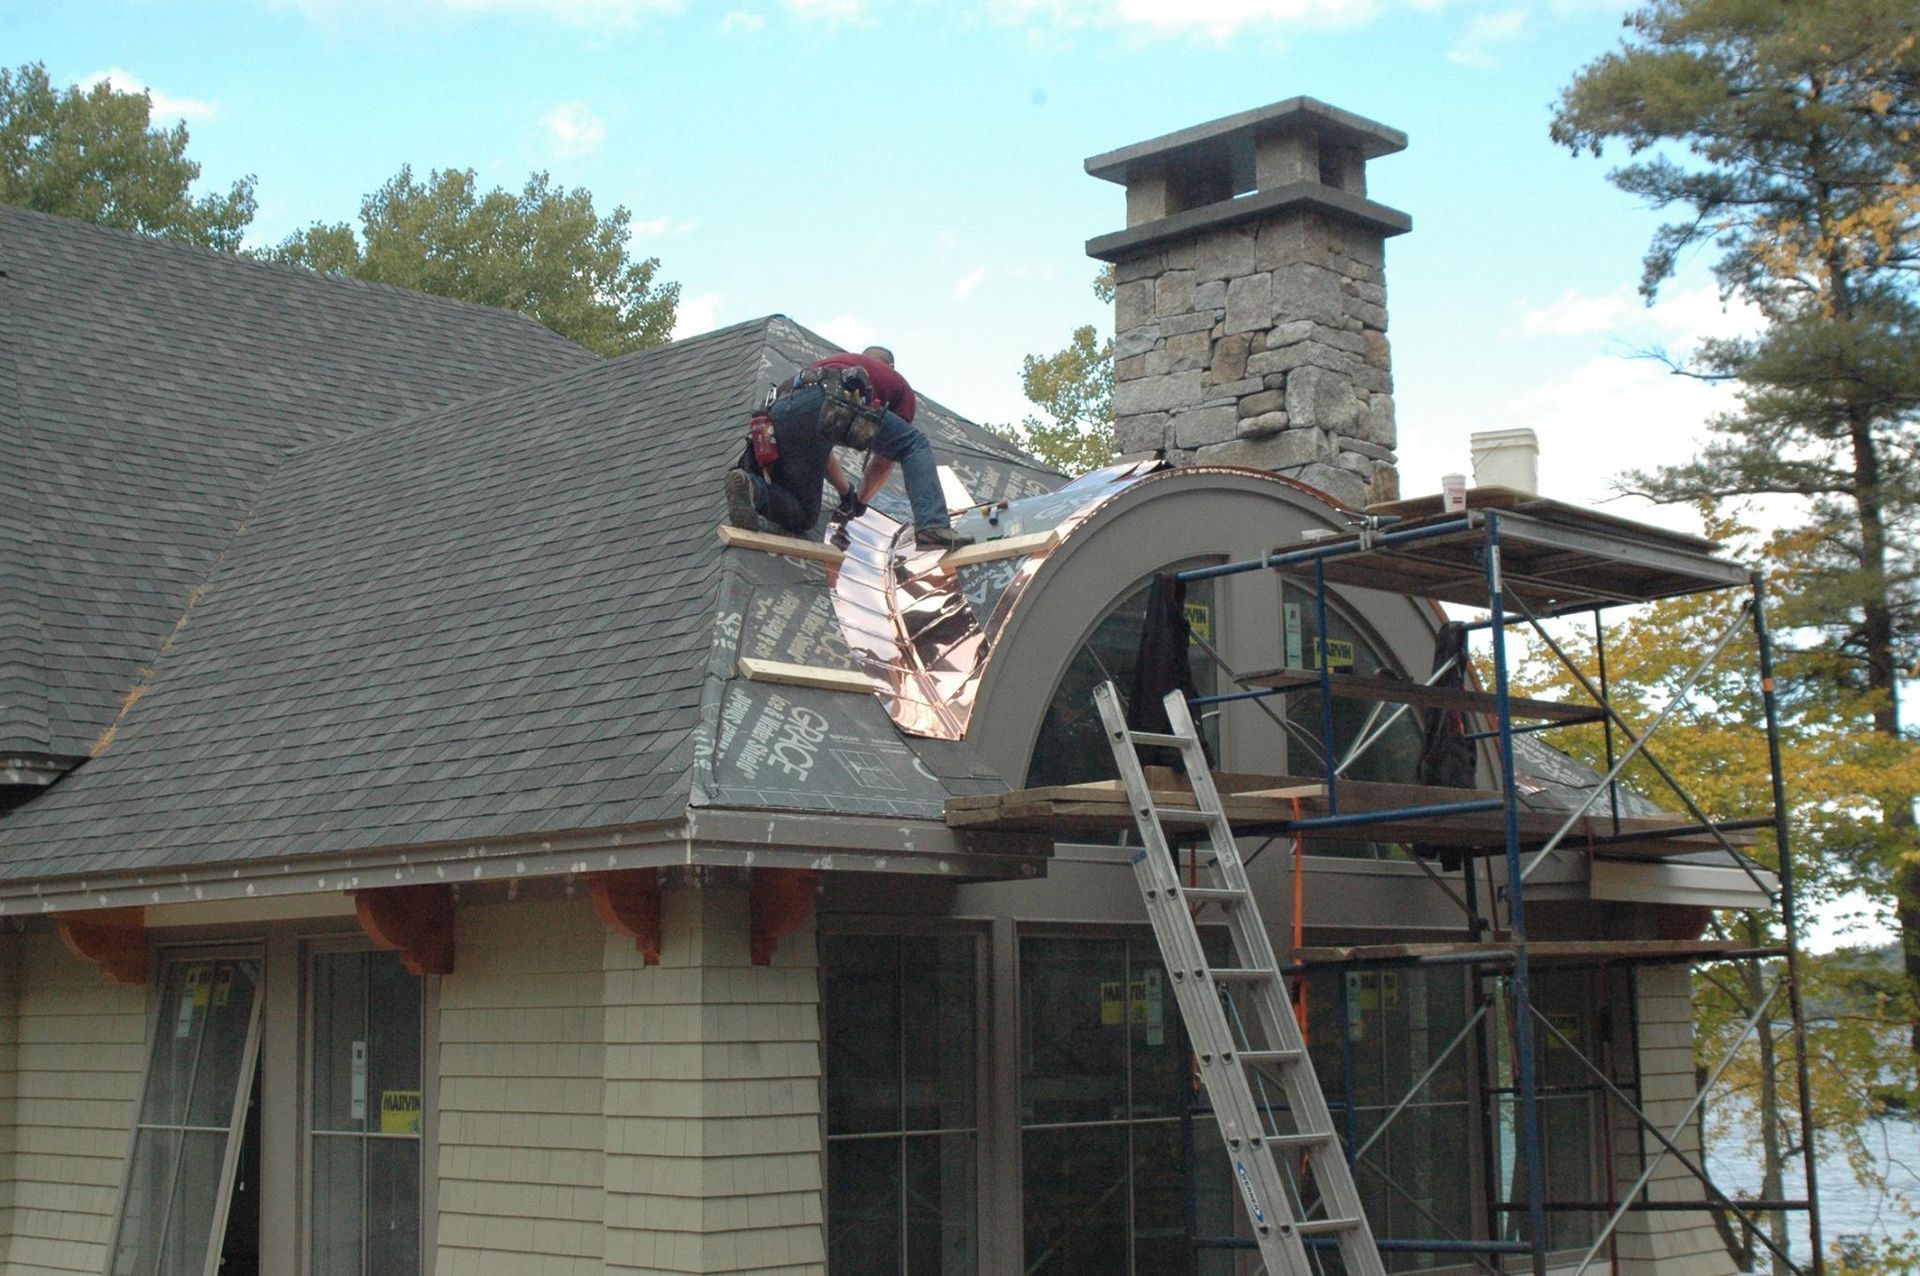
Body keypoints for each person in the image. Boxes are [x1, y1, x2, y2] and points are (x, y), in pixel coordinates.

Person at [723, 346, 972, 550]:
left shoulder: (832, 362)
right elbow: (885, 458)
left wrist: (845, 494)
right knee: (914, 444)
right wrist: (861, 502)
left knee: (805, 516)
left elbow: (824, 454)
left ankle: (751, 488)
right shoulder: (896, 383)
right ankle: (932, 525)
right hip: (832, 398)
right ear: (891, 367)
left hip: (779, 414)